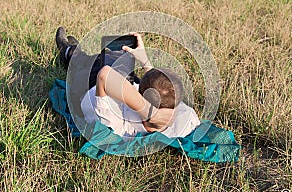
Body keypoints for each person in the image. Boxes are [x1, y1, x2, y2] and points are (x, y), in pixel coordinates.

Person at [55, 27, 200, 138]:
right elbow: (167, 91)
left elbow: (105, 75)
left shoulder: (119, 124)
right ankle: (76, 50)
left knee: (93, 62)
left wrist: (148, 112)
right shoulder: (186, 119)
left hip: (90, 87)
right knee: (120, 62)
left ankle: (69, 51)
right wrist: (145, 62)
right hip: (123, 85)